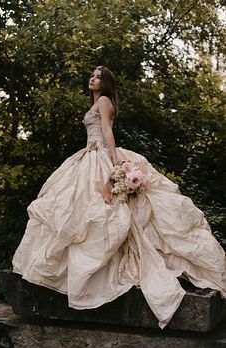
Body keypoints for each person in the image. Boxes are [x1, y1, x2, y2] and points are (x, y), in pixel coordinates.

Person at [12, 65, 226, 329]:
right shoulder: (98, 100)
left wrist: (114, 164)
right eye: (92, 75)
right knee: (73, 209)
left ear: (107, 83)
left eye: (98, 76)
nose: (93, 78)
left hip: (99, 155)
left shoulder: (103, 101)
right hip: (87, 155)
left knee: (96, 212)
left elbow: (106, 130)